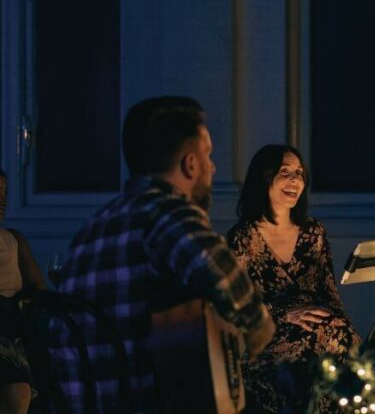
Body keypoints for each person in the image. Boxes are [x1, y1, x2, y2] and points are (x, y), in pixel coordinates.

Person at [53, 96, 275, 412]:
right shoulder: (169, 212)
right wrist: (257, 330)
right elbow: (221, 273)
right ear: (190, 164)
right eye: (208, 154)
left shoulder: (89, 231)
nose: (213, 167)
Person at [227, 144, 360, 413]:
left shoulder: (313, 232)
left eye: (299, 173)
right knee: (306, 359)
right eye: (285, 172)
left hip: (320, 332)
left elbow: (329, 292)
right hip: (268, 337)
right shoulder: (243, 237)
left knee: (350, 347)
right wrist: (284, 314)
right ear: (264, 178)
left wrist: (338, 323)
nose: (295, 180)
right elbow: (236, 307)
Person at [0, 167, 47, 414]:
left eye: (5, 194)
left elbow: (38, 288)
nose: (2, 202)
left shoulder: (14, 239)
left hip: (14, 327)